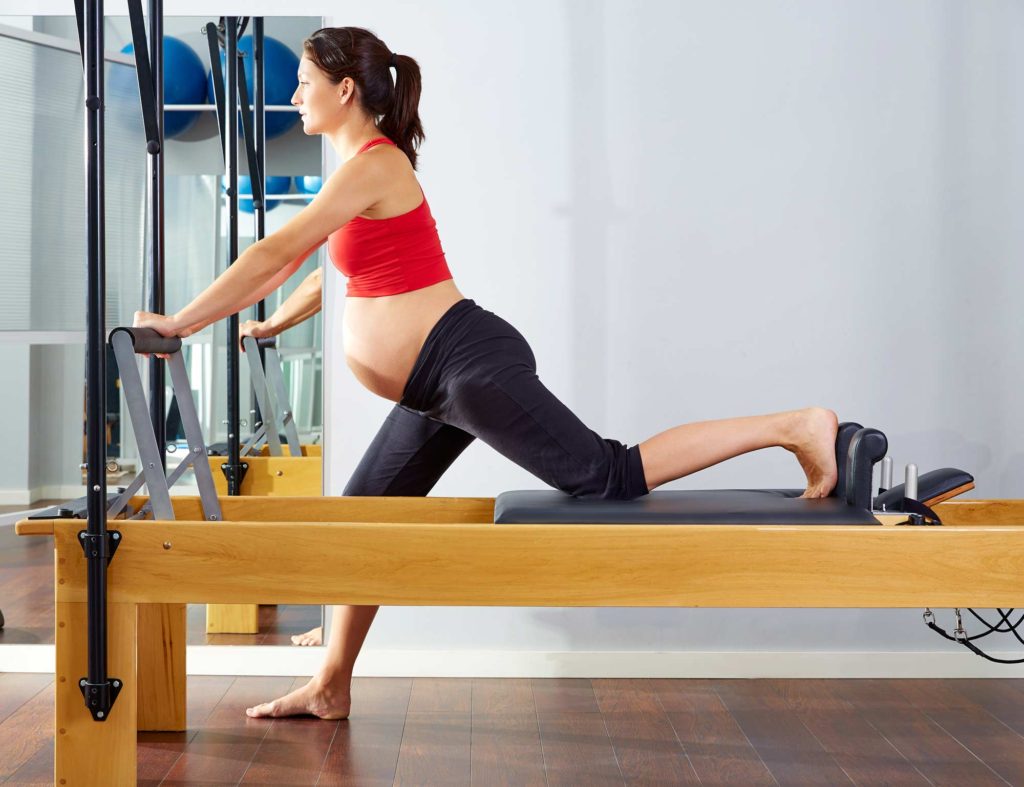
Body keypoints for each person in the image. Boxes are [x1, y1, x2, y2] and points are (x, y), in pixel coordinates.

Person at [133, 26, 839, 720]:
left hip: (466, 366)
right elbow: (321, 272)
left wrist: (182, 322)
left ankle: (793, 425)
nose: (292, 95)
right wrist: (269, 324)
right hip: (431, 385)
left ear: (344, 90)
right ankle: (331, 685)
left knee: (610, 474)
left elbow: (279, 247)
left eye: (303, 83)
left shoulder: (375, 165)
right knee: (366, 523)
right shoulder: (353, 179)